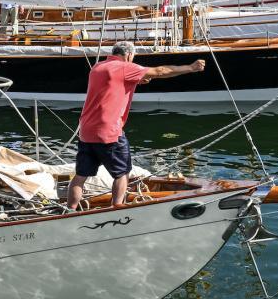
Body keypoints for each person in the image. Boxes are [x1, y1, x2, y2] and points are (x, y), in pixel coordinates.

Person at [65, 42, 205, 210]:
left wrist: (135, 81)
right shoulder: (124, 67)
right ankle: (117, 208)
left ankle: (69, 210)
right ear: (129, 55)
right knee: (122, 173)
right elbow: (161, 71)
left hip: (86, 131)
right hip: (108, 132)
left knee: (80, 176)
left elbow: (110, 84)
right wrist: (190, 67)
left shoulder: (97, 67)